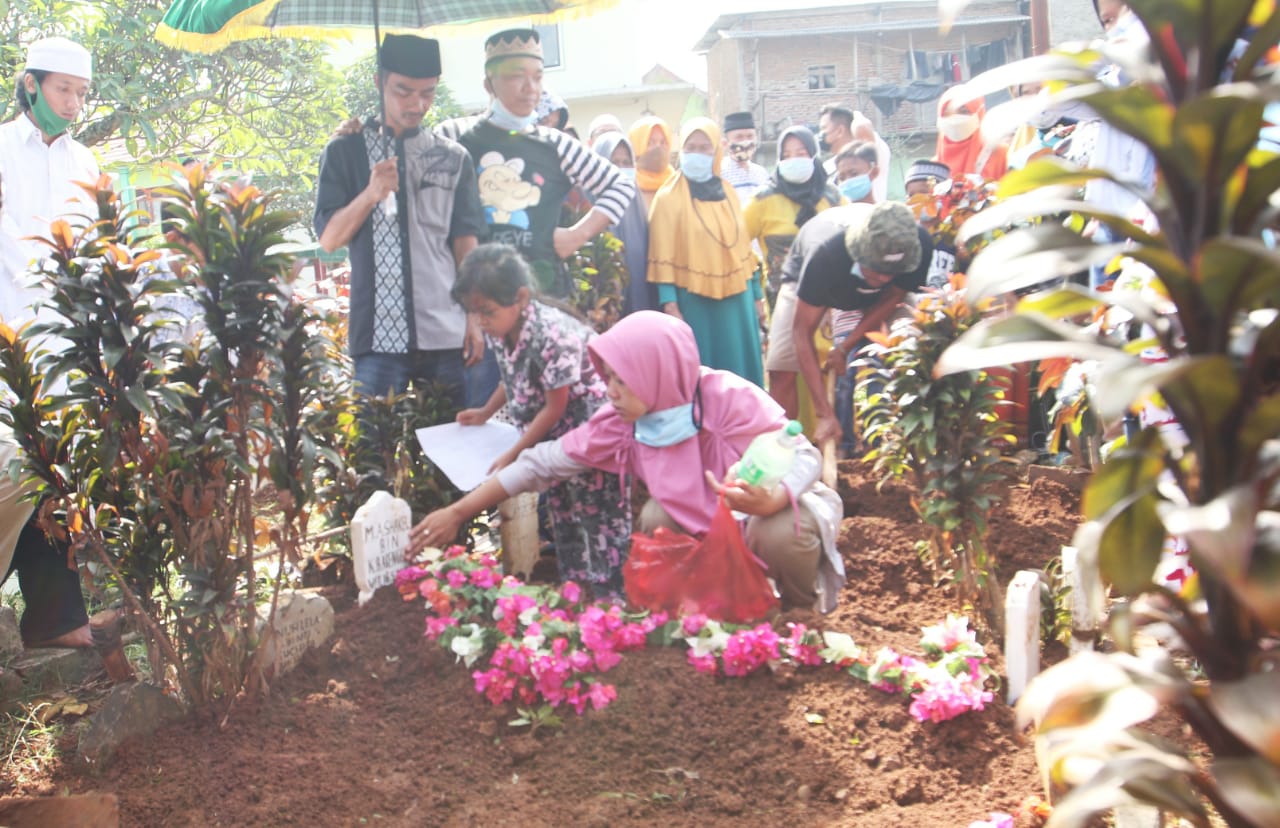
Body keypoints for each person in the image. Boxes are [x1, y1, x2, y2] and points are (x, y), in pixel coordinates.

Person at [406, 311, 846, 613]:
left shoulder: (725, 397)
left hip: (761, 513)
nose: (610, 391)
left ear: (656, 371)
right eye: (608, 378)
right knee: (657, 518)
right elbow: (539, 464)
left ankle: (796, 616)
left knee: (782, 532)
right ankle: (699, 612)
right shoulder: (620, 422)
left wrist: (770, 500)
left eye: (622, 379)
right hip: (705, 522)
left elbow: (801, 451)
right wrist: (460, 511)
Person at [315, 34, 486, 404]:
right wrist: (371, 193)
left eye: (427, 93)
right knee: (372, 453)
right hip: (377, 337)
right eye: (403, 91)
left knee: (453, 453)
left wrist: (474, 316)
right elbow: (329, 238)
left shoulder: (454, 158)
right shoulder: (345, 151)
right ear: (379, 83)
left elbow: (465, 242)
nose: (416, 104)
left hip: (446, 330)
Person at [451, 244, 629, 597]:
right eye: (475, 314)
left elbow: (555, 407)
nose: (482, 322)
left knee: (599, 517)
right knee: (562, 513)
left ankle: (614, 601)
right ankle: (576, 593)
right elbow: (512, 377)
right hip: (547, 437)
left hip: (588, 432)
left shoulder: (552, 334)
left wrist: (516, 452)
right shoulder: (503, 330)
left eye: (487, 312)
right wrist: (486, 412)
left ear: (519, 298)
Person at [0, 36, 99, 650]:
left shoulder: (84, 161)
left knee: (56, 477)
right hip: (10, 334)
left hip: (65, 341)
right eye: (65, 90)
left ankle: (58, 622)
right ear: (32, 84)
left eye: (83, 94)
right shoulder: (3, 149)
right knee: (13, 469)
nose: (74, 104)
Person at [439, 29, 634, 300]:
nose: (530, 88)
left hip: (543, 299)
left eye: (538, 77)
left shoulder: (556, 144)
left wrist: (576, 235)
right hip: (474, 303)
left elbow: (621, 184)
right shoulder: (453, 136)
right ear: (489, 83)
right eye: (517, 76)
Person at [789, 203, 933, 445]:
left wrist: (846, 346)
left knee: (893, 356)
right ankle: (842, 442)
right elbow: (801, 332)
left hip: (885, 300)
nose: (884, 277)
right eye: (876, 269)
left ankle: (887, 445)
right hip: (832, 291)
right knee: (836, 373)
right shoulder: (827, 257)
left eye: (892, 272)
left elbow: (894, 296)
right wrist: (823, 412)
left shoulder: (917, 246)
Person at [647, 117, 764, 388]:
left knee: (743, 379)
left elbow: (744, 247)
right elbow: (661, 252)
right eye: (691, 148)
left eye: (704, 148)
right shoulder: (667, 197)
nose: (697, 154)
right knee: (703, 378)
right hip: (694, 302)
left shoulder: (728, 192)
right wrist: (670, 303)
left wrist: (757, 295)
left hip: (739, 298)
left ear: (716, 153)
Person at [590, 131, 656, 315]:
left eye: (627, 163)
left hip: (642, 303)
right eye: (614, 162)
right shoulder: (587, 205)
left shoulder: (638, 203)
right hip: (603, 310)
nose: (621, 168)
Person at [818, 103, 892, 202]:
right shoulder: (827, 167)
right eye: (842, 177)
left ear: (840, 130)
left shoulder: (871, 149)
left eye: (824, 128)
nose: (821, 135)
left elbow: (862, 127)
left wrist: (856, 114)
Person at [933, 88, 1008, 182]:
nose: (954, 119)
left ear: (979, 113)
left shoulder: (1001, 155)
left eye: (964, 111)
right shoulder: (934, 167)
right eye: (947, 113)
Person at [719, 111, 770, 204]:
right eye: (739, 137)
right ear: (725, 143)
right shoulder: (719, 173)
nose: (746, 142)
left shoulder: (762, 173)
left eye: (750, 136)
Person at [628, 115, 675, 213]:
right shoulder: (628, 185)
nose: (658, 148)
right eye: (650, 143)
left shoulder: (676, 182)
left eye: (662, 142)